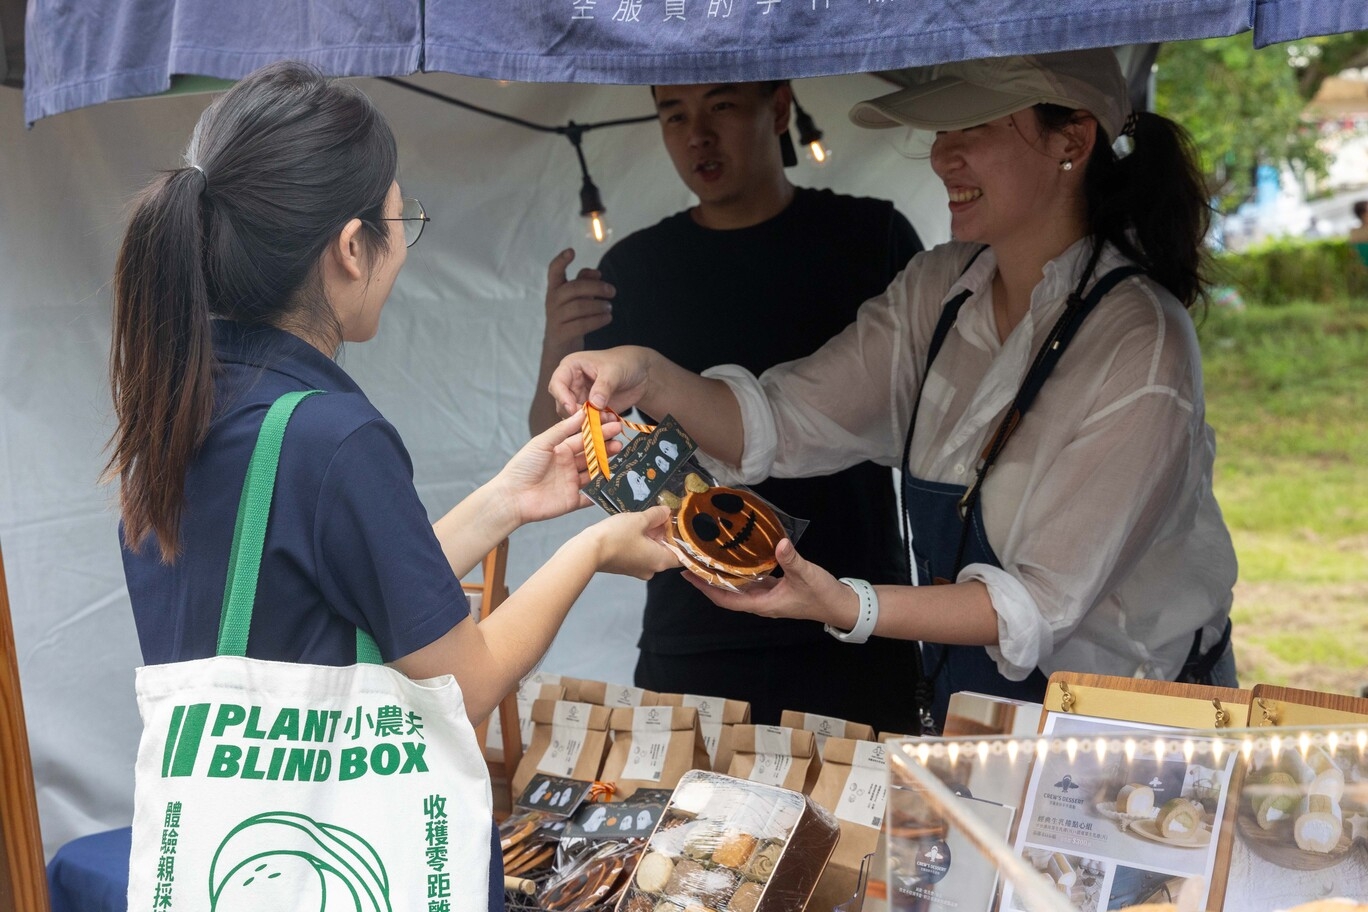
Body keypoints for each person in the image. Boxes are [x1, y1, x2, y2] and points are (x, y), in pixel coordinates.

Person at [105, 61, 678, 912]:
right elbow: (464, 682)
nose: (402, 245)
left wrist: (507, 500)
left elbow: (330, 602)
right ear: (350, 247)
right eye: (400, 220)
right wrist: (593, 548)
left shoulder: (181, 407)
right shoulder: (334, 437)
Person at [547, 50, 1239, 730]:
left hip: (1126, 725)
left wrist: (843, 604)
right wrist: (649, 373)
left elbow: (1035, 603)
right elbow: (782, 420)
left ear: (1073, 141)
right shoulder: (940, 290)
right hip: (975, 712)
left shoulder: (1140, 339)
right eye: (942, 130)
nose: (942, 155)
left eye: (974, 126)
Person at [528, 80, 927, 733]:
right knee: (683, 805)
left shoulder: (870, 236)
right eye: (674, 115)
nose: (697, 136)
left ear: (778, 108)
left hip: (851, 613)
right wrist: (559, 345)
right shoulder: (636, 267)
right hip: (694, 622)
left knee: (868, 803)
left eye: (721, 106)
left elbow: (933, 415)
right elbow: (562, 444)